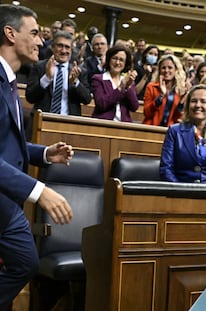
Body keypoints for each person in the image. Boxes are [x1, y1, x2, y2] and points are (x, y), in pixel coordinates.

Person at [0, 5, 74, 308]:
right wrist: (39, 191)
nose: (40, 42)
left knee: (26, 264)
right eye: (33, 33)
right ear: (10, 33)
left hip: (7, 203)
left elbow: (8, 143)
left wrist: (44, 153)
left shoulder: (10, 81)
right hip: (8, 199)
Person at [160, 84, 206, 183]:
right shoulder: (174, 132)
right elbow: (166, 169)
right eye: (194, 101)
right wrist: (180, 192)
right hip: (179, 194)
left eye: (203, 101)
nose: (198, 105)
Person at [25, 30, 91, 138]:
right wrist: (46, 78)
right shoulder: (40, 67)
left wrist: (75, 82)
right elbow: (30, 97)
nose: (64, 51)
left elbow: (87, 99)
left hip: (69, 126)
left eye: (67, 47)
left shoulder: (79, 71)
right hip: (41, 124)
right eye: (60, 46)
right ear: (52, 47)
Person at [91, 45, 139, 122]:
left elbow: (134, 107)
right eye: (114, 58)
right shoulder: (98, 79)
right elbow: (101, 104)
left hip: (123, 126)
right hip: (102, 124)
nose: (117, 62)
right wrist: (120, 87)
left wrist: (128, 87)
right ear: (109, 59)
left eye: (121, 60)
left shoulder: (127, 80)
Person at [143, 54, 189, 127]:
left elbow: (178, 118)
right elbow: (147, 113)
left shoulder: (180, 90)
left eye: (170, 68)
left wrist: (182, 101)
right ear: (159, 70)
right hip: (151, 128)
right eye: (163, 68)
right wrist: (161, 95)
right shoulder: (151, 87)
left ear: (176, 70)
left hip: (170, 131)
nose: (166, 71)